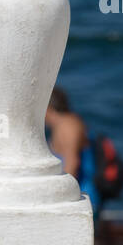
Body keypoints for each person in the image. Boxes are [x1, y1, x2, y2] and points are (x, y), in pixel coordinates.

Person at [45, 87, 99, 215]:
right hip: (78, 196)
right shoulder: (66, 124)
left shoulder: (68, 126)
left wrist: (57, 199)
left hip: (80, 197)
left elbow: (72, 164)